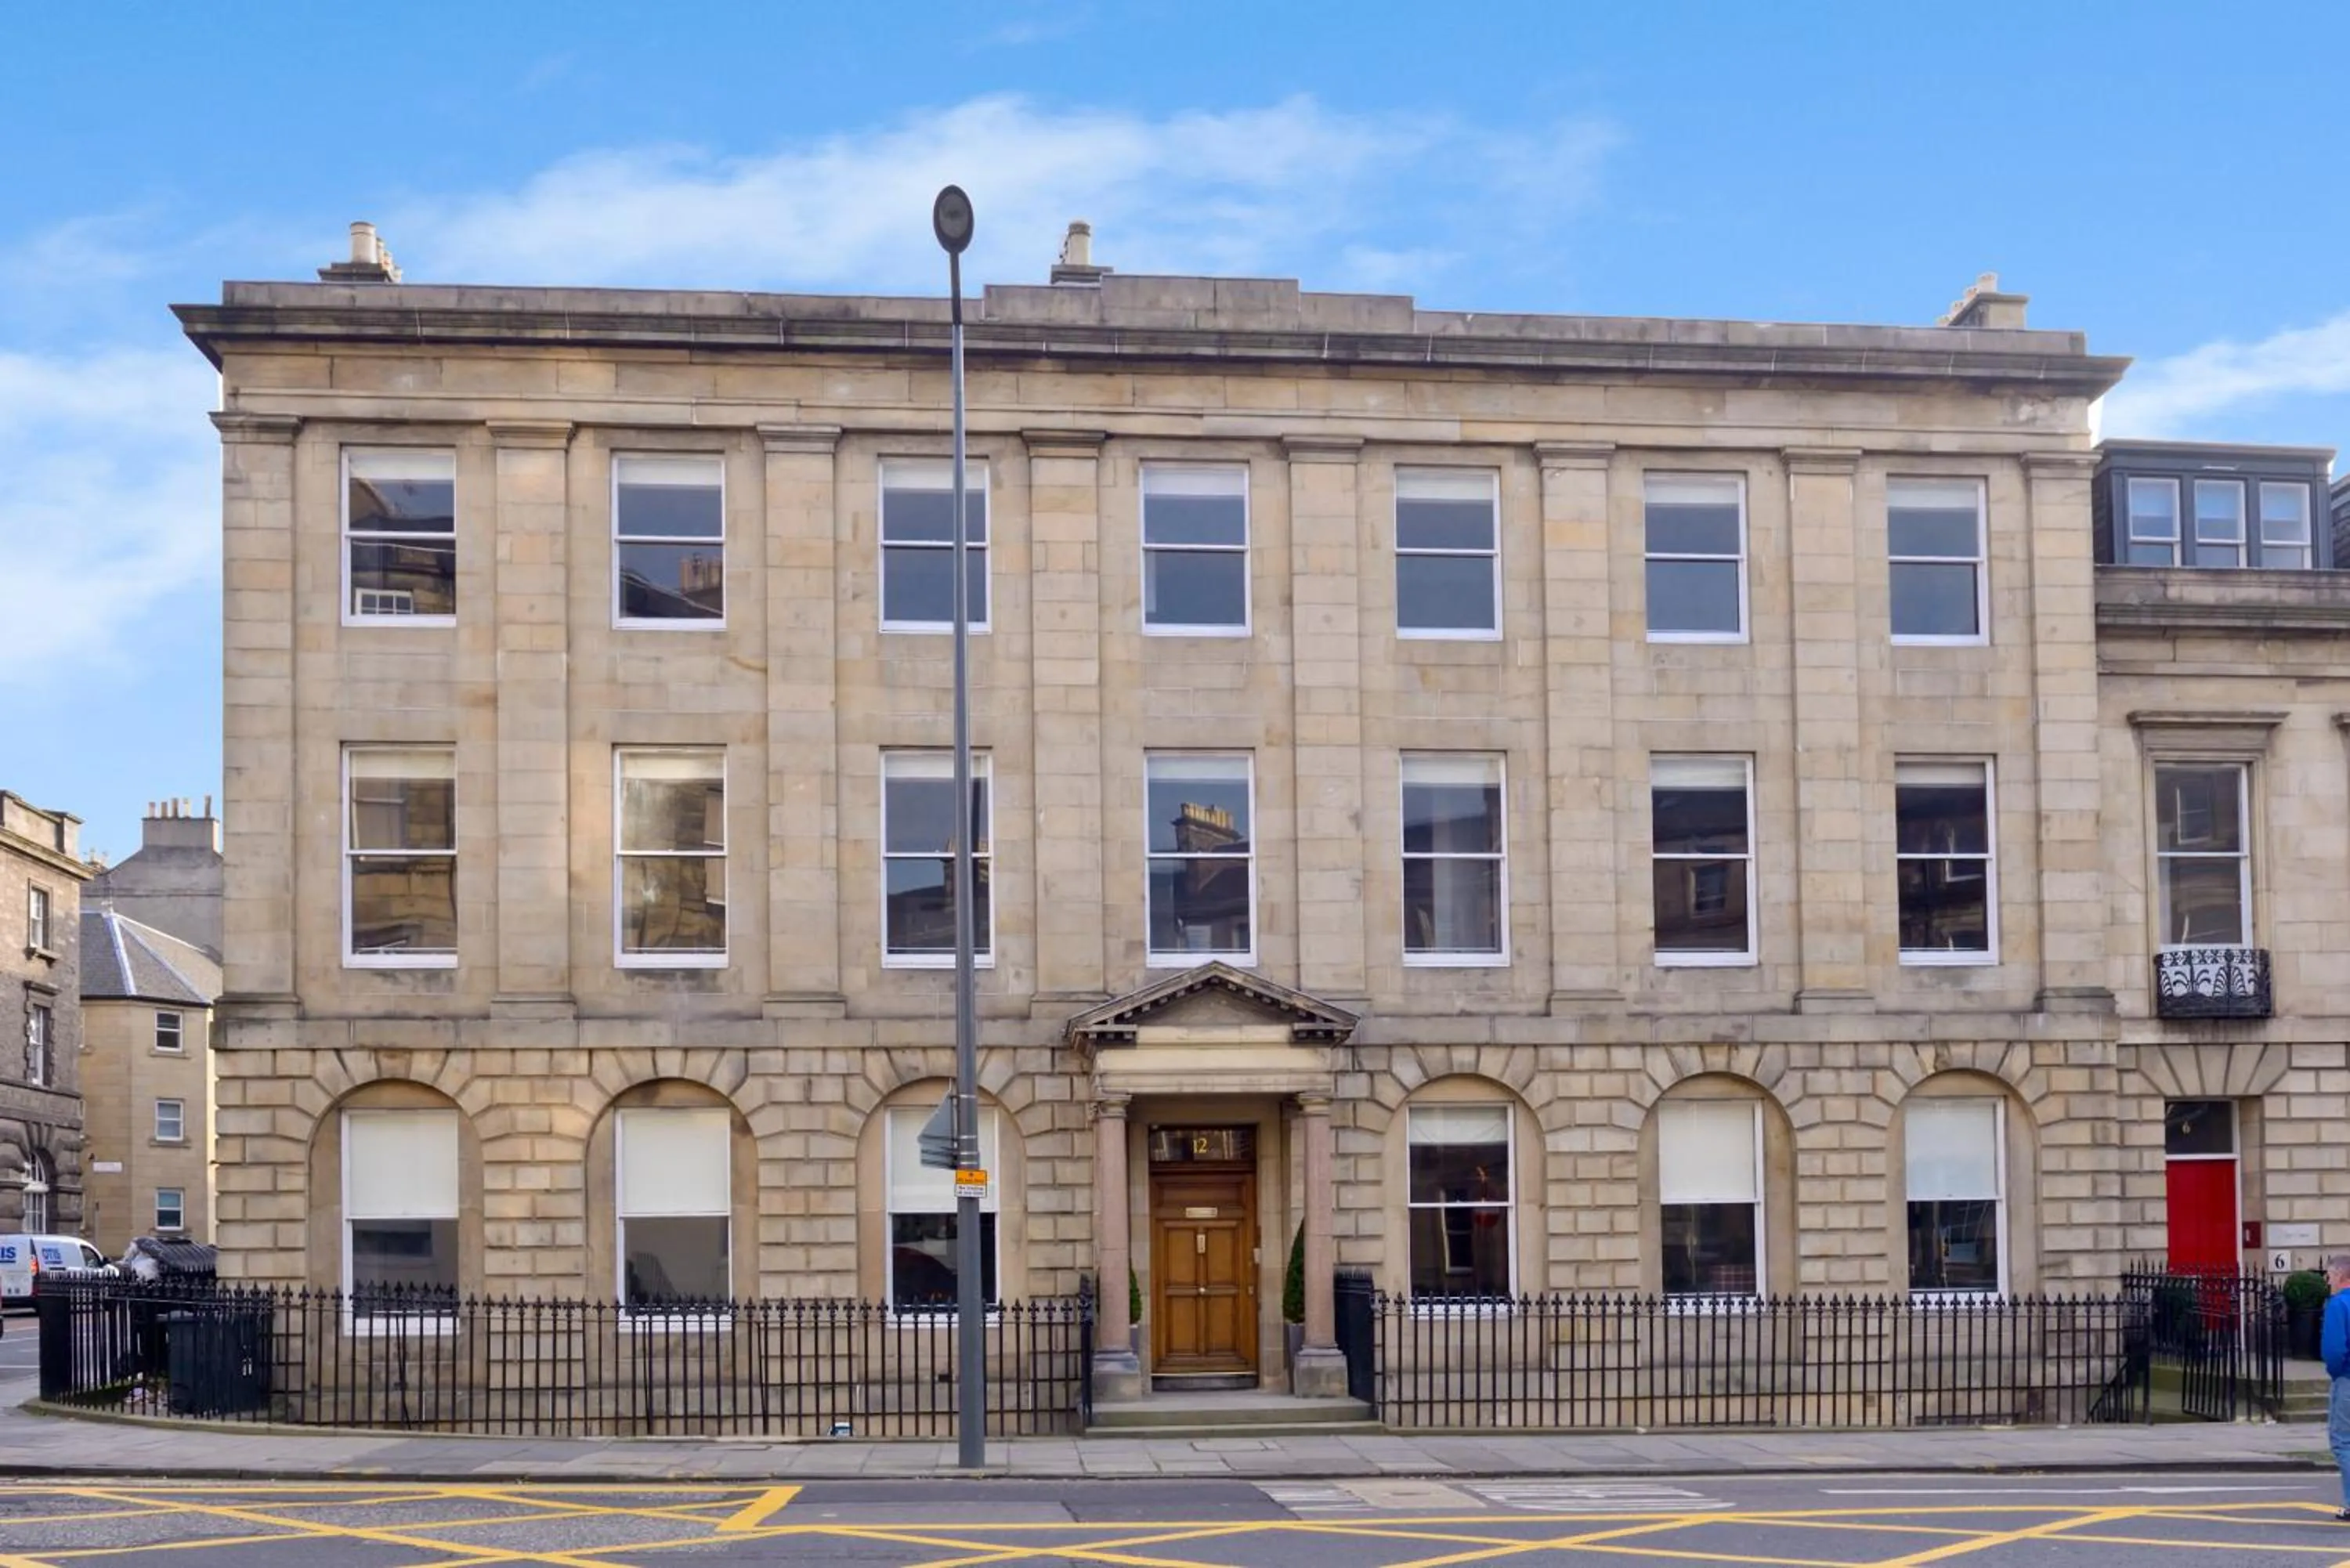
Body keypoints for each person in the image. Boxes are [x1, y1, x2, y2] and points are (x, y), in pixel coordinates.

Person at [2324, 1255, 2350, 1522]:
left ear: (2341, 1276)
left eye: (2329, 1276)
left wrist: (2336, 1372)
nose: (2327, 1282)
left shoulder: (2338, 1304)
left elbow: (2334, 1350)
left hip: (2348, 1378)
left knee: (2343, 1441)